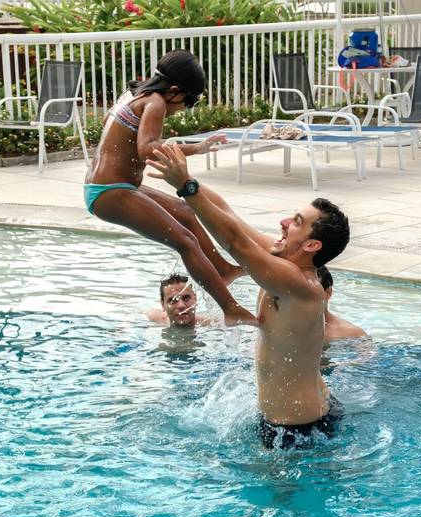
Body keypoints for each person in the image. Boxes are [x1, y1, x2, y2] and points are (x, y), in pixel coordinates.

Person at [147, 144, 351, 449]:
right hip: (302, 411)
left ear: (311, 246)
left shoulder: (301, 285)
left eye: (296, 222)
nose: (284, 222)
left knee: (280, 498)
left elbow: (234, 242)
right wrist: (189, 180)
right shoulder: (282, 257)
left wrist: (186, 187)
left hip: (297, 429)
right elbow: (229, 216)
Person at [84, 50, 254, 326]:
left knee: (184, 211)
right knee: (185, 241)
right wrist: (195, 148)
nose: (186, 107)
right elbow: (146, 149)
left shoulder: (135, 93)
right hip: (109, 191)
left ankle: (222, 270)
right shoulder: (156, 103)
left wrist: (192, 147)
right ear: (174, 90)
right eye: (189, 101)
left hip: (113, 185)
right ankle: (231, 309)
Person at [316, 266, 368, 343]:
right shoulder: (291, 329)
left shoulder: (353, 334)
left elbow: (370, 354)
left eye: (310, 293)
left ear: (328, 293)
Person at [145, 273, 213, 328]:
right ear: (163, 305)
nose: (181, 306)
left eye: (186, 298)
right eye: (172, 300)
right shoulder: (153, 317)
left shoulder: (211, 324)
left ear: (195, 299)